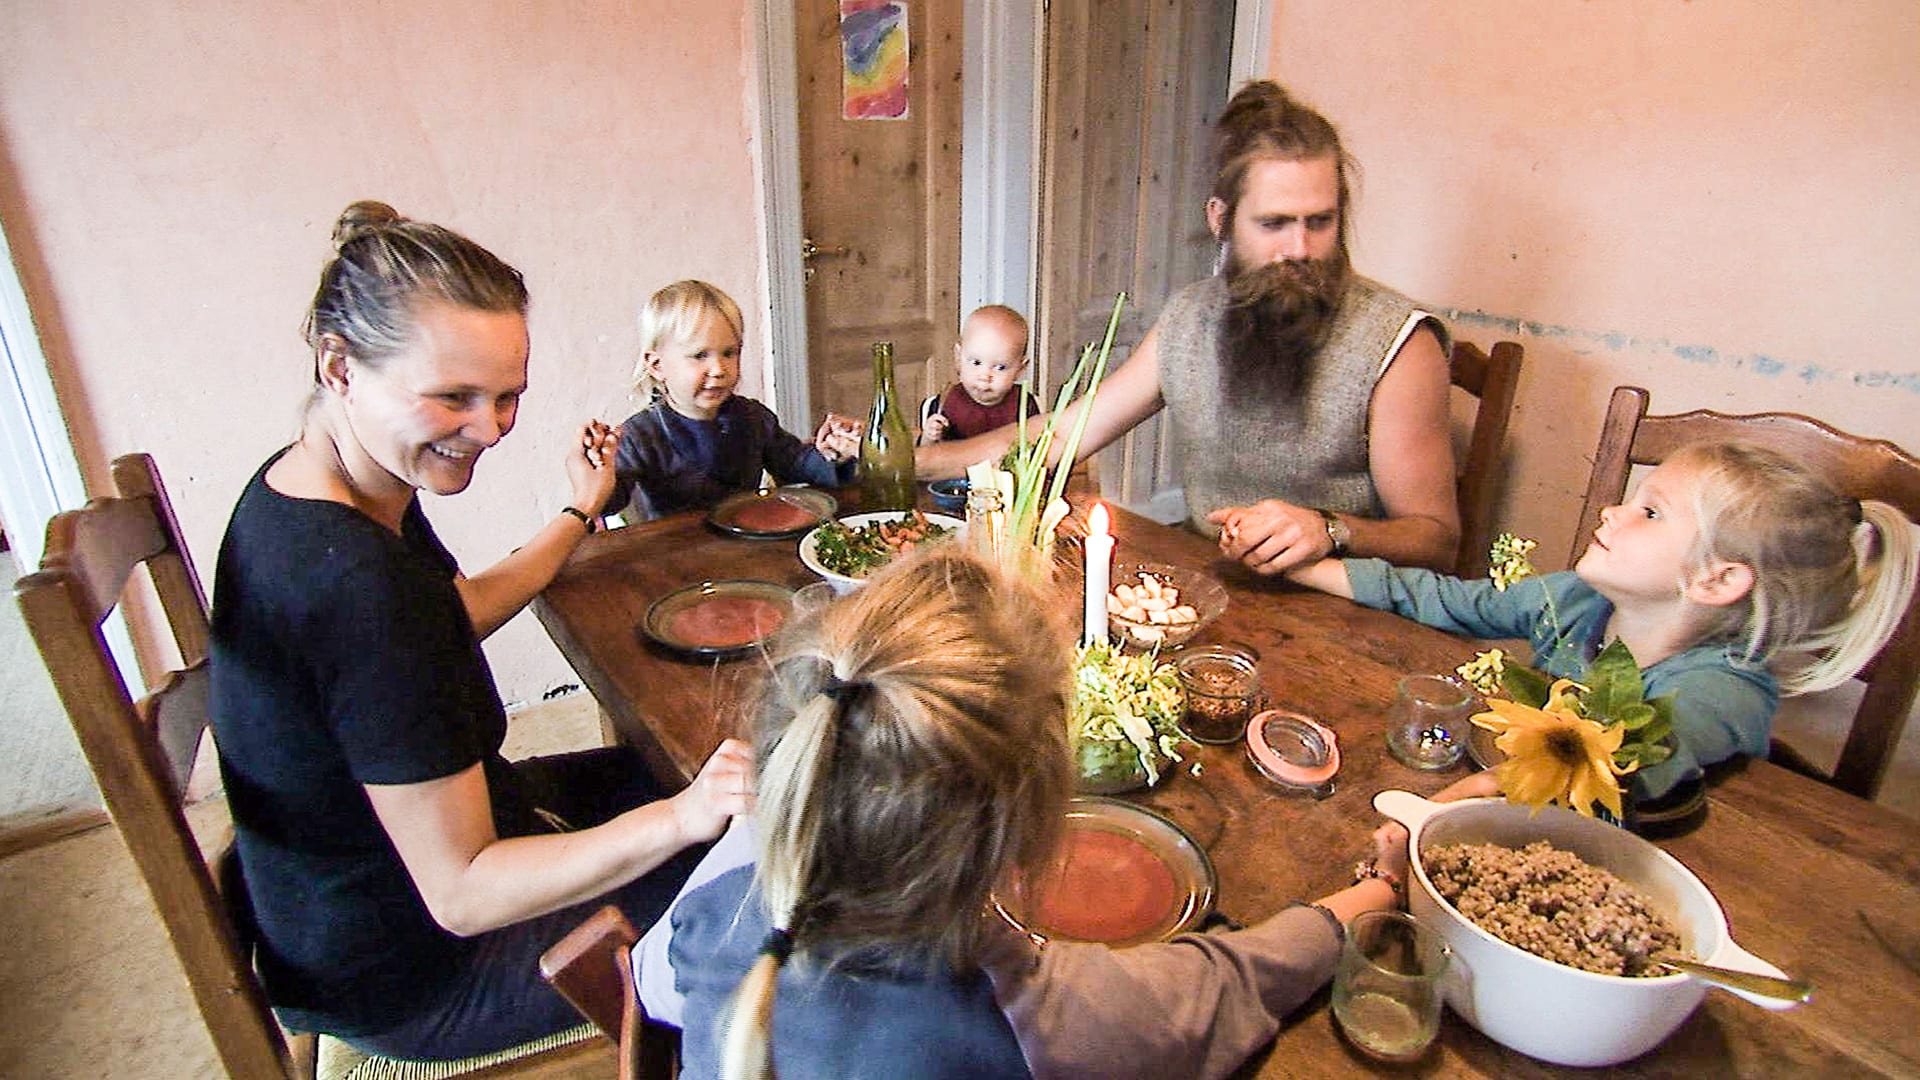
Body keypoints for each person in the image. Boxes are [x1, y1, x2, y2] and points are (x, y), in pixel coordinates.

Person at [209, 202, 755, 1060]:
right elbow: (463, 891)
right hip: (416, 973)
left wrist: (580, 509)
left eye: (507, 397)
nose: (491, 428)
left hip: (359, 896)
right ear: (340, 366)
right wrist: (684, 817)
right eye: (453, 397)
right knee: (778, 877)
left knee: (681, 772)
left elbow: (453, 614)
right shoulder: (358, 591)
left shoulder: (315, 488)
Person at [632, 548, 1409, 1079]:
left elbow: (649, 980)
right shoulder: (1034, 1019)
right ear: (1029, 830)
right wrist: (1378, 889)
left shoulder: (715, 904)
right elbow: (1232, 983)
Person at [915, 81, 1459, 576]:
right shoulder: (1190, 318)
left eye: (1320, 222)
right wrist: (914, 462)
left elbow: (1436, 540)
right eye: (1273, 223)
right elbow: (1060, 435)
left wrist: (1330, 529)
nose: (1300, 249)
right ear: (1220, 219)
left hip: (1348, 607)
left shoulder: (1399, 343)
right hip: (1211, 580)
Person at [1286, 440, 1919, 802]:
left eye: (1651, 512)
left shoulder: (1724, 692)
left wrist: (1458, 803)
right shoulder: (1576, 601)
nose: (1614, 511)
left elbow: (1620, 763)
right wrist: (1302, 565)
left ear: (1716, 579)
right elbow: (1451, 601)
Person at [604, 280, 861, 522]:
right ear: (657, 366)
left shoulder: (754, 418)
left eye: (729, 353)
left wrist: (835, 454)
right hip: (676, 549)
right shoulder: (639, 436)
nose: (719, 369)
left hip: (747, 541)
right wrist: (599, 469)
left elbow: (797, 464)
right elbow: (608, 502)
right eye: (700, 355)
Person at [917, 304, 1043, 445]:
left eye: (1000, 367)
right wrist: (929, 437)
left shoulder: (1027, 406)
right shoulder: (942, 404)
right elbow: (923, 453)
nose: (984, 377)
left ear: (1020, 368)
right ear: (958, 357)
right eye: (976, 362)